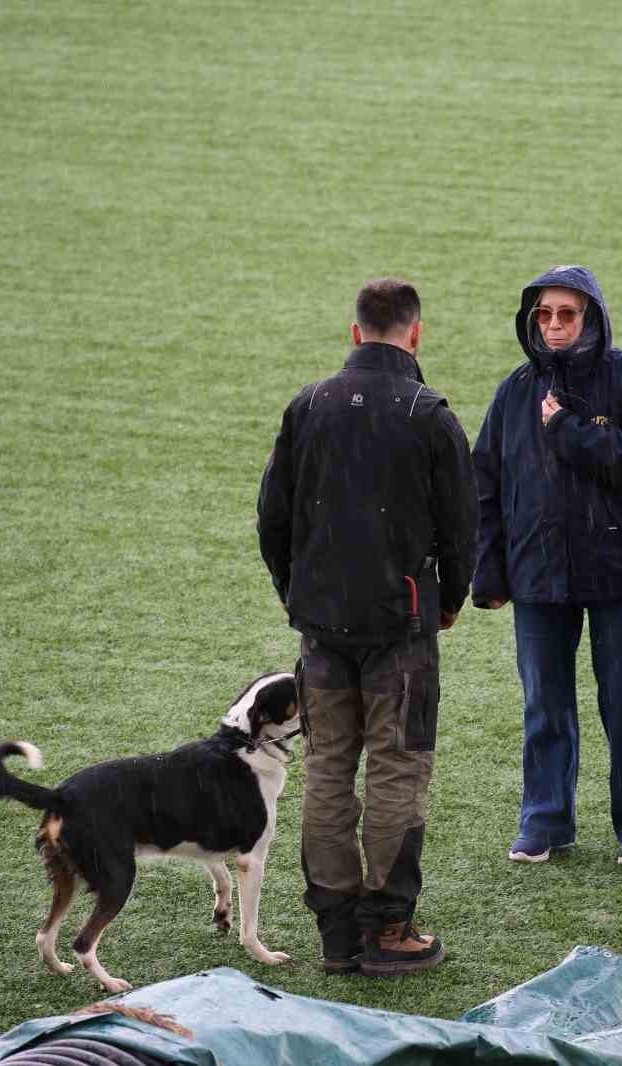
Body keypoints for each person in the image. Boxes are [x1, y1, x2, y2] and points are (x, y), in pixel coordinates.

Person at [257, 277, 478, 975]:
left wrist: (295, 592)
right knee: (396, 772)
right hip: (401, 630)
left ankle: (335, 936)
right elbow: (461, 528)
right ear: (416, 333)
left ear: (356, 332)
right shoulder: (430, 413)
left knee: (327, 771)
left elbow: (272, 517)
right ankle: (388, 932)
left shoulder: (308, 404)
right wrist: (450, 600)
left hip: (321, 627)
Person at [471, 265, 622, 867]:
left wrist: (566, 429)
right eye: (544, 314)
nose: (554, 326)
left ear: (593, 317)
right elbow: (485, 482)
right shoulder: (514, 391)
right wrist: (489, 573)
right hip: (538, 573)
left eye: (568, 314)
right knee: (544, 704)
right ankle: (545, 821)